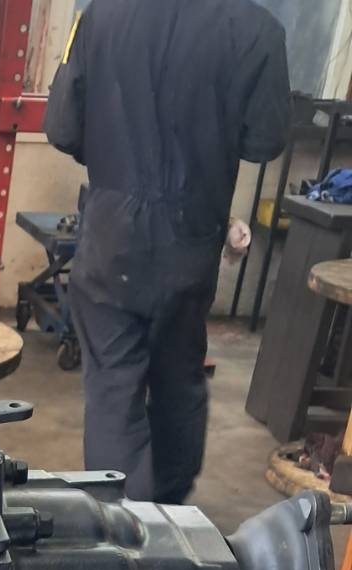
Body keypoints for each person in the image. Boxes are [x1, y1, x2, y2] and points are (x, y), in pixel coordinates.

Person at [45, 0, 290, 504]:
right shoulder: (256, 28)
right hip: (190, 239)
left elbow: (63, 128)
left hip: (112, 237)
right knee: (179, 379)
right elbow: (265, 140)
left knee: (113, 387)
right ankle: (167, 511)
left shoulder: (99, 16)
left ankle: (121, 521)